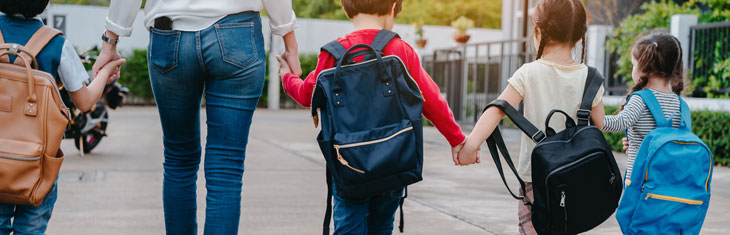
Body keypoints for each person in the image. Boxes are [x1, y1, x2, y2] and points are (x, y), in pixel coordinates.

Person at [93, 0, 301, 234]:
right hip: (238, 34)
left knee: (178, 159)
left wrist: (110, 41)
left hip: (170, 35)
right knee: (226, 165)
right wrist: (289, 42)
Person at [275, 0, 466, 233]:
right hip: (394, 162)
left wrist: (286, 76)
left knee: (348, 227)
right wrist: (457, 140)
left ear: (346, 8)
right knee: (382, 225)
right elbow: (431, 99)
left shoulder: (333, 53)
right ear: (394, 6)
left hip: (349, 165)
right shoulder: (400, 50)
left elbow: (307, 94)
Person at [456, 0, 603, 234]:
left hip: (536, 179)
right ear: (579, 37)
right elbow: (601, 124)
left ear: (538, 31)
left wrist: (470, 146)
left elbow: (498, 108)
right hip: (576, 178)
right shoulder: (590, 77)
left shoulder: (529, 72)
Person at [0, 0, 125, 233]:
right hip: (37, 167)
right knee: (31, 229)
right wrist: (106, 70)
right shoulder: (56, 44)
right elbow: (85, 102)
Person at [597, 32, 685, 183]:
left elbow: (618, 123)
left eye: (633, 64)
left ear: (642, 67)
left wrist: (593, 109)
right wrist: (636, 143)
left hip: (640, 182)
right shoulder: (678, 102)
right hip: (667, 182)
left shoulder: (641, 99)